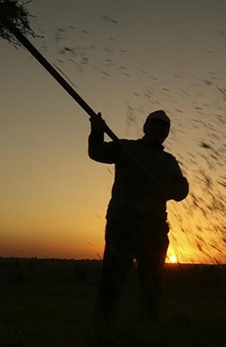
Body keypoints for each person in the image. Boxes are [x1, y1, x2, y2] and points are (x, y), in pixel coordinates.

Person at [88, 109, 189, 325]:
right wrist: (96, 131)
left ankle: (147, 327)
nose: (158, 129)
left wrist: (167, 190)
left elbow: (182, 189)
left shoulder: (169, 162)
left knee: (151, 284)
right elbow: (96, 152)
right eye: (154, 124)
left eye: (163, 127)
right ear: (145, 127)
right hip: (122, 226)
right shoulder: (126, 148)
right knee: (112, 281)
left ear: (166, 133)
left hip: (153, 230)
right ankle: (102, 329)